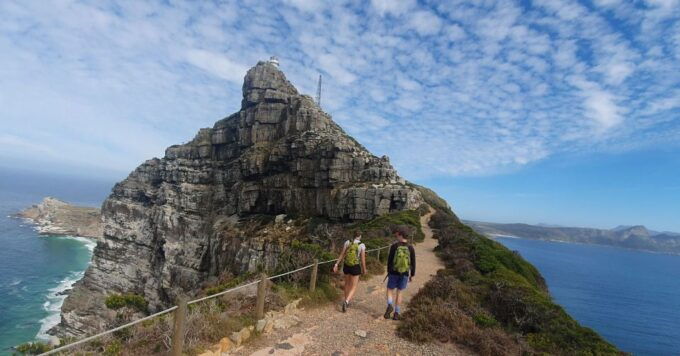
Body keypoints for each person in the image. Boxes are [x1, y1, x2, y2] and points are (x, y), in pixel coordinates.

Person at [384, 227, 416, 320]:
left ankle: (390, 305)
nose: (397, 236)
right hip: (404, 273)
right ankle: (396, 313)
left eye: (398, 235)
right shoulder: (410, 247)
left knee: (390, 290)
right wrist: (412, 275)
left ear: (401, 235)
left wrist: (389, 271)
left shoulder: (394, 246)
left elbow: (389, 261)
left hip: (393, 272)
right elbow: (413, 263)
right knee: (400, 292)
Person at [333, 230, 366, 312]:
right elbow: (362, 259)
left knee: (347, 284)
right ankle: (347, 302)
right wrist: (364, 269)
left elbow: (342, 254)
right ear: (360, 236)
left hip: (347, 266)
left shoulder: (347, 242)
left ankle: (346, 300)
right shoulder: (361, 245)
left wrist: (336, 264)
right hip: (355, 267)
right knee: (354, 286)